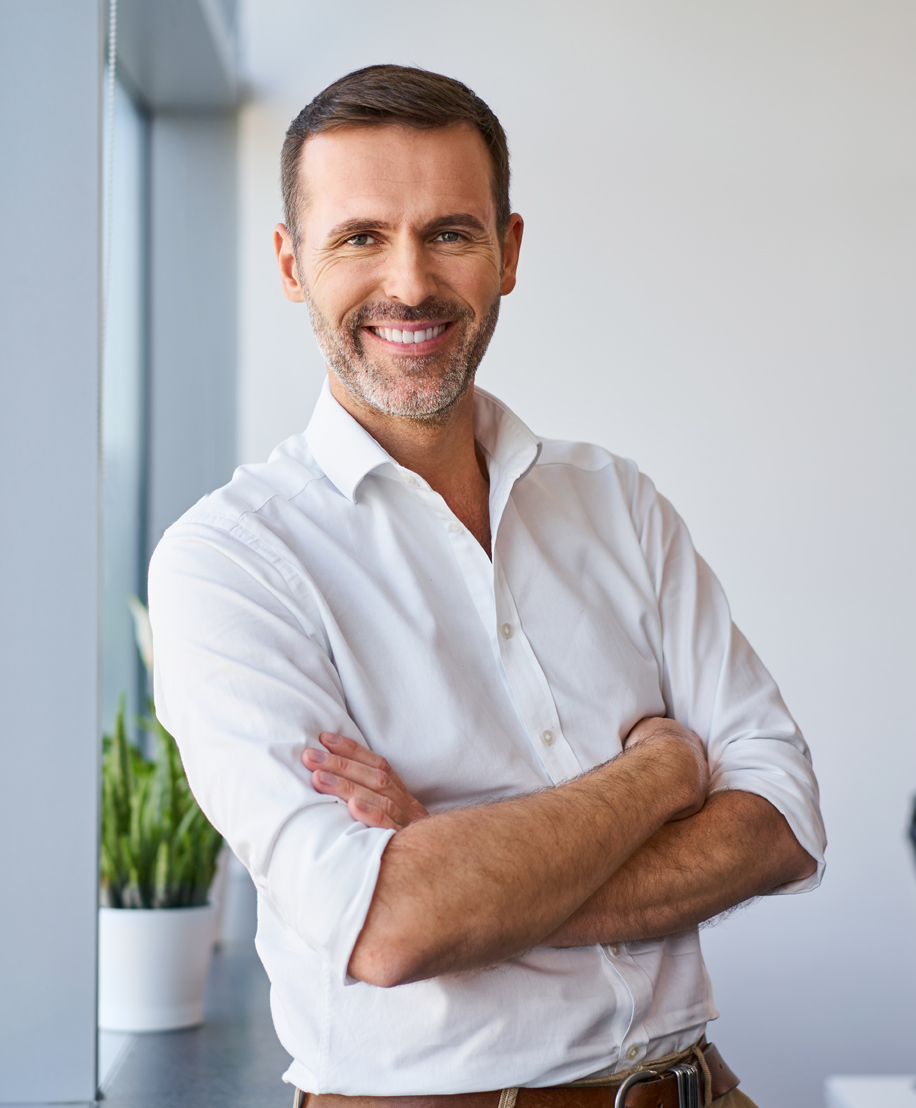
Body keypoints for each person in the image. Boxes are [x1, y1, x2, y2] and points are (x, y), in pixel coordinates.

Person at [148, 65, 826, 1108]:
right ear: (291, 263)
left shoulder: (616, 503)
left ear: (508, 252)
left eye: (449, 233)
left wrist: (467, 867)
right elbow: (391, 926)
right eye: (360, 237)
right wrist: (662, 773)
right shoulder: (228, 564)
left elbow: (780, 817)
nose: (410, 283)